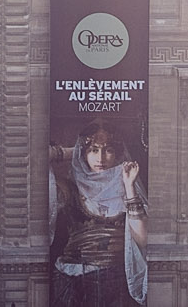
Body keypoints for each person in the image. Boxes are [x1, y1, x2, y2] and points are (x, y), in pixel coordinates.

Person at [47, 122, 148, 307]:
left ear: (117, 154)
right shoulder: (71, 188)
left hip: (115, 283)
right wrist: (71, 151)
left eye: (108, 150)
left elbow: (142, 240)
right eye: (93, 150)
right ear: (84, 155)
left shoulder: (127, 185)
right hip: (73, 282)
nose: (100, 158)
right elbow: (39, 157)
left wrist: (129, 186)